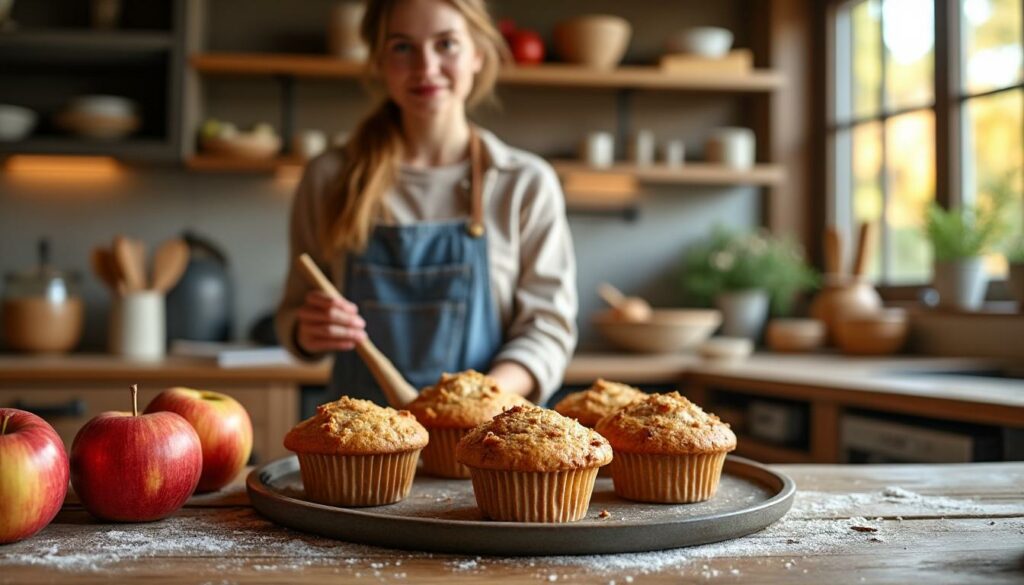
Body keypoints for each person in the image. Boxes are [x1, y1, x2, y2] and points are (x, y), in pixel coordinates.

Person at [275, 0, 577, 407]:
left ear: (477, 55)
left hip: (488, 443)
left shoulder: (522, 183)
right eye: (402, 47)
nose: (425, 67)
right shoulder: (329, 178)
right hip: (362, 451)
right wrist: (306, 331)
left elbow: (548, 330)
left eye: (446, 44)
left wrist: (477, 402)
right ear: (379, 60)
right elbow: (294, 312)